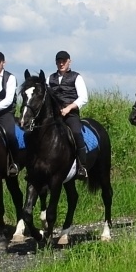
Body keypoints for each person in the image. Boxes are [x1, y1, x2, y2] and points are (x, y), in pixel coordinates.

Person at [48, 50, 89, 178]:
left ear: (69, 62)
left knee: (76, 132)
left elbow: (83, 97)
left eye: (64, 61)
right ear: (56, 63)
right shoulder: (50, 78)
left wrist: (69, 108)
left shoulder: (77, 77)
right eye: (59, 61)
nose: (61, 64)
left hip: (70, 114)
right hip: (55, 116)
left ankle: (82, 166)